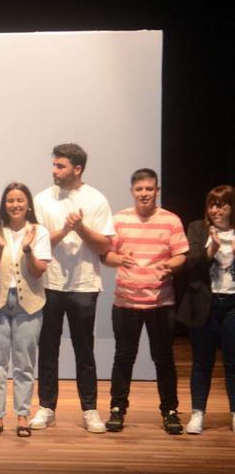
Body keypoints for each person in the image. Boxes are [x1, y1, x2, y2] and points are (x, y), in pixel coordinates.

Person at [28, 144, 114, 434]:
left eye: (60, 166)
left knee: (84, 349)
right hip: (49, 284)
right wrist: (65, 230)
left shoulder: (96, 199)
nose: (54, 170)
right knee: (48, 348)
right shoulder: (42, 199)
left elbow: (105, 245)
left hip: (84, 285)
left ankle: (89, 409)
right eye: (54, 165)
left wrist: (80, 229)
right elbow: (35, 243)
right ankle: (46, 407)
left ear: (77, 169)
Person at [100, 168, 186, 434]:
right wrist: (119, 259)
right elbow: (105, 256)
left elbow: (181, 254)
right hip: (126, 302)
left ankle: (170, 411)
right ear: (132, 191)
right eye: (140, 189)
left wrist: (169, 267)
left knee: (163, 359)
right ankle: (117, 409)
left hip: (161, 303)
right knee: (124, 358)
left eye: (149, 189)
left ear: (156, 191)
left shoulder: (171, 220)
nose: (145, 194)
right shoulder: (119, 219)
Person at [0, 182, 50, 437]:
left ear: (28, 203)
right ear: (4, 203)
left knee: (24, 364)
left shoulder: (38, 231)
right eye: (10, 200)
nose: (15, 205)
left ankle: (22, 416)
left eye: (20, 200)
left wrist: (28, 248)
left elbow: (39, 270)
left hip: (28, 304)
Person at [178, 184, 235, 434]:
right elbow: (191, 263)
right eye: (212, 204)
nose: (215, 210)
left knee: (233, 363)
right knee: (202, 362)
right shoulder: (198, 228)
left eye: (221, 204)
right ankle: (198, 413)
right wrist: (211, 248)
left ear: (231, 206)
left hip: (232, 305)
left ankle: (234, 414)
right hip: (205, 304)